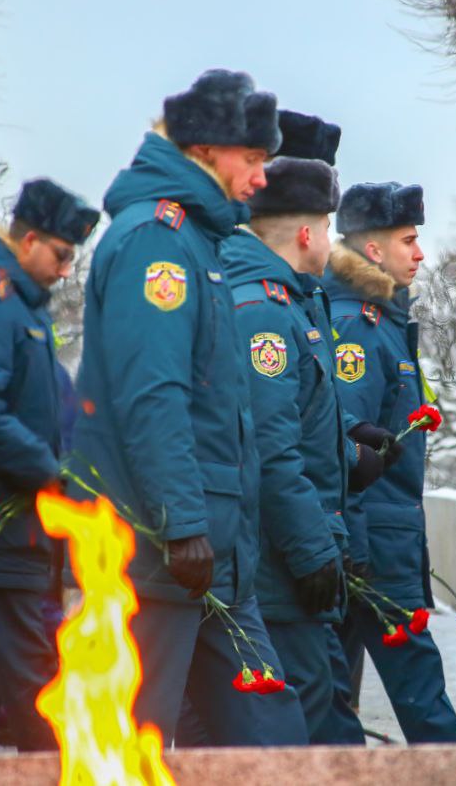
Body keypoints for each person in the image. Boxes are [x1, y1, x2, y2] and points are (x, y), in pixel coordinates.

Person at [68, 69, 307, 745]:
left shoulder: (196, 239)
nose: (262, 179)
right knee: (133, 740)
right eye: (254, 159)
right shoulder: (159, 241)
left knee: (269, 733)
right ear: (205, 151)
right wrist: (180, 524)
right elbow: (154, 395)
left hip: (210, 553)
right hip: (163, 548)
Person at [219, 110, 379, 742]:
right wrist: (316, 555)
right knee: (317, 723)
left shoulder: (286, 300)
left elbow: (300, 425)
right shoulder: (263, 312)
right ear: (309, 233)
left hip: (281, 554)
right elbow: (270, 449)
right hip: (276, 566)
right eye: (330, 226)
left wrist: (349, 453)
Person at [0, 178, 99, 752]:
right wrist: (47, 471)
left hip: (20, 530)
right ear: (28, 239)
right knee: (36, 686)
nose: (65, 271)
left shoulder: (21, 305)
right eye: (61, 255)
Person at [324, 181, 456, 744]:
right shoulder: (359, 328)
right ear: (374, 250)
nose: (420, 253)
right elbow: (347, 449)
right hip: (372, 546)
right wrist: (356, 551)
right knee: (420, 695)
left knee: (333, 701)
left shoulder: (381, 321)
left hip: (377, 537)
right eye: (408, 240)